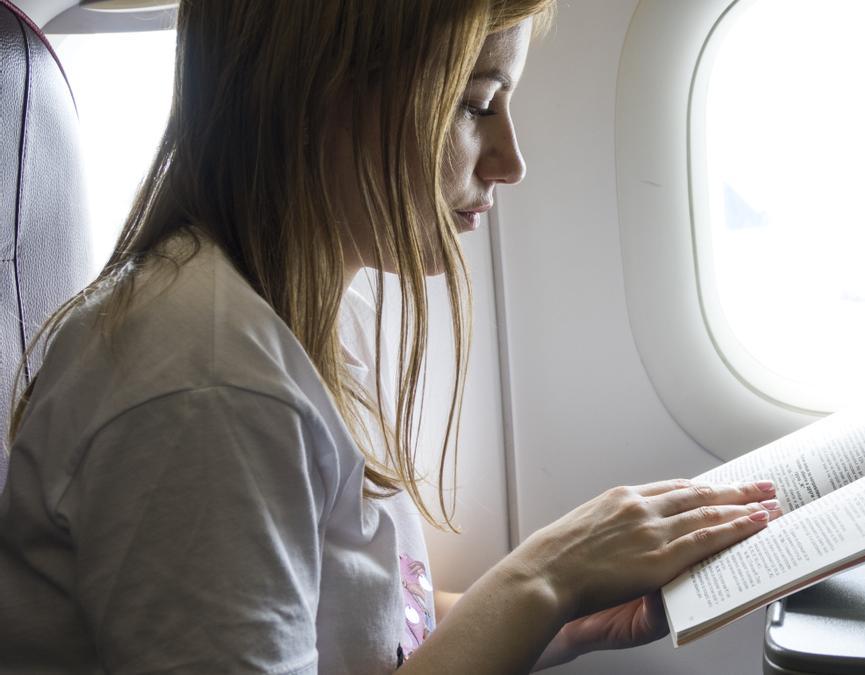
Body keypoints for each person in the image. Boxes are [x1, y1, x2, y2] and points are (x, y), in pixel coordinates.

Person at [0, 1, 782, 673]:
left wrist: (565, 613)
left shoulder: (290, 319)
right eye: (477, 103)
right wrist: (543, 576)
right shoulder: (204, 386)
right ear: (321, 95)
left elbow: (367, 630)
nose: (511, 161)